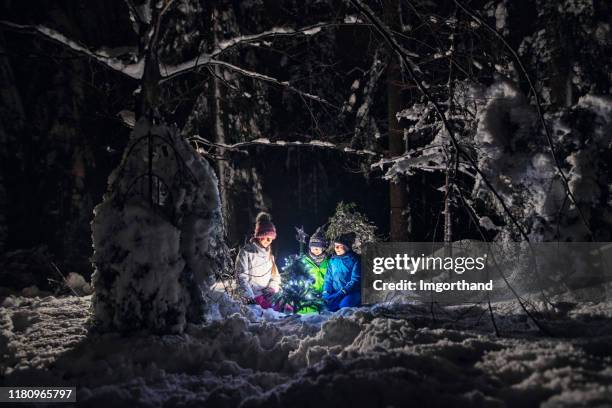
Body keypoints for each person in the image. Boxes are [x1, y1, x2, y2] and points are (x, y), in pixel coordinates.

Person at [235, 212, 281, 309]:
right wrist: (250, 300)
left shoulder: (270, 255)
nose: (269, 241)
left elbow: (275, 276)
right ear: (259, 236)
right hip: (254, 297)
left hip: (268, 295)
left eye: (271, 238)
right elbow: (241, 279)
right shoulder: (246, 252)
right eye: (266, 237)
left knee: (286, 307)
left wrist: (272, 288)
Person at [322, 233, 361, 311]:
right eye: (335, 246)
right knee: (327, 306)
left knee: (344, 306)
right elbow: (328, 279)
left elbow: (355, 280)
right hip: (336, 293)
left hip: (351, 293)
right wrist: (326, 292)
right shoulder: (332, 261)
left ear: (346, 247)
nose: (336, 248)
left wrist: (342, 292)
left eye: (339, 246)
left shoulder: (354, 260)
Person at [296, 227, 329, 314]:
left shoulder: (328, 261)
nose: (315, 250)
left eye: (318, 248)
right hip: (309, 294)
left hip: (324, 294)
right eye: (313, 248)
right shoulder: (305, 260)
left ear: (323, 248)